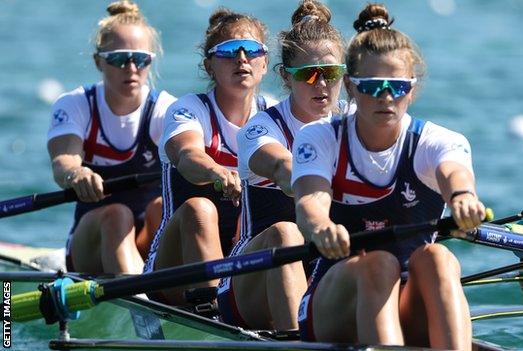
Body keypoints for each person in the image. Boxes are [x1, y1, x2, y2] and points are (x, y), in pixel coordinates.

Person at [292, 3, 486, 349]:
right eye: (372, 86)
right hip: (331, 306)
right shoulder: (321, 137)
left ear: (411, 89)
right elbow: (311, 200)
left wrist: (463, 199)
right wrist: (321, 226)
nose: (385, 97)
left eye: (396, 86)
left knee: (439, 257)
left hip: (406, 305)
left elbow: (454, 174)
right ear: (350, 87)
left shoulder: (439, 141)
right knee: (378, 264)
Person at [217, 0, 348, 330]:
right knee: (286, 232)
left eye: (330, 73)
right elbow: (283, 168)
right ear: (286, 78)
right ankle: (296, 337)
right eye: (308, 74)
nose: (321, 84)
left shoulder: (355, 124)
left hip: (323, 274)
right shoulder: (261, 128)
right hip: (249, 284)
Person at [143, 8, 275, 306]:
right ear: (209, 65)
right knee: (199, 209)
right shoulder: (188, 110)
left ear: (265, 63)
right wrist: (216, 171)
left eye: (252, 50)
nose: (242, 58)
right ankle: (210, 310)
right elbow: (187, 154)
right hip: (174, 270)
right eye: (229, 51)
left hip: (241, 262)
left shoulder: (274, 116)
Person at [47, 0, 175, 275]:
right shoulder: (76, 105)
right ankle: (142, 306)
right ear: (98, 62)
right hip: (89, 247)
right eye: (119, 58)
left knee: (162, 208)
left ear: (150, 61)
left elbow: (190, 152)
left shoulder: (165, 109)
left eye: (140, 59)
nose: (131, 67)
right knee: (118, 214)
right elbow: (64, 160)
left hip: (147, 243)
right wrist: (75, 174)